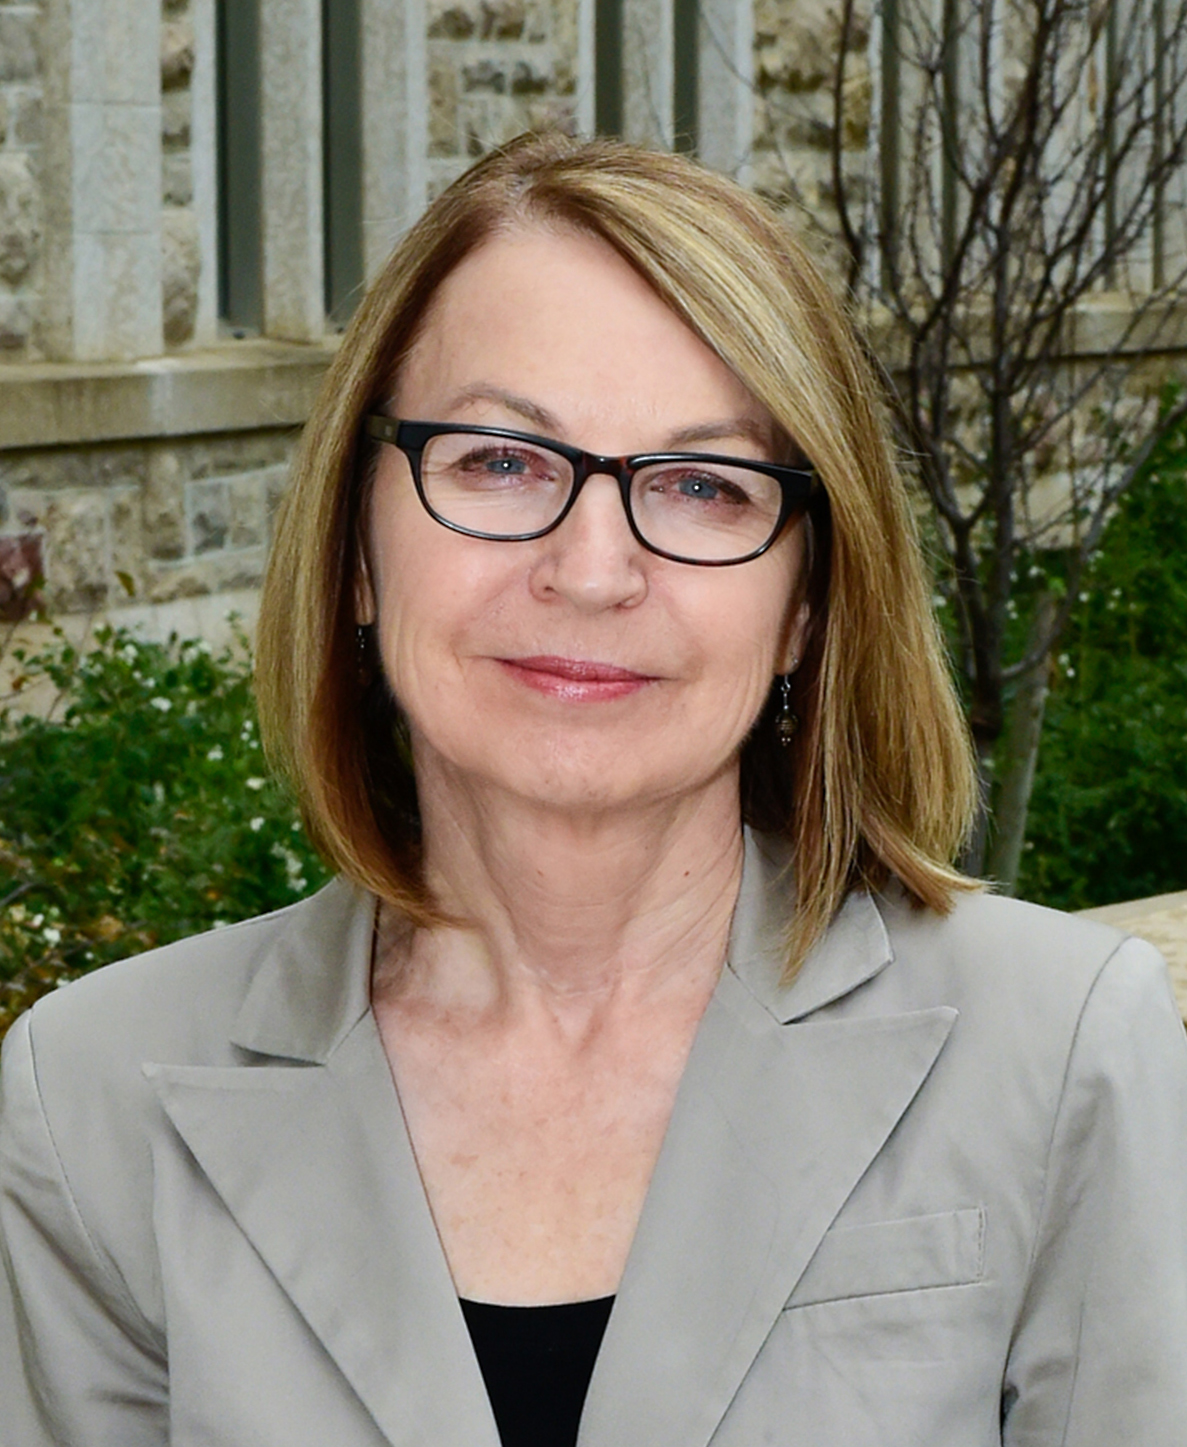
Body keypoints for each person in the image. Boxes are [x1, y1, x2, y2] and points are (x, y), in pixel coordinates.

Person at [2, 132, 1185, 1447]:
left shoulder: (1058, 1050)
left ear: (804, 604)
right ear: (354, 546)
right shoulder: (91, 1100)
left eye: (703, 485)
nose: (593, 568)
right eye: (501, 461)